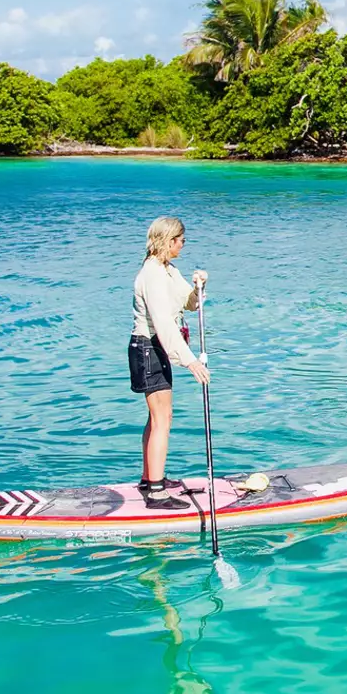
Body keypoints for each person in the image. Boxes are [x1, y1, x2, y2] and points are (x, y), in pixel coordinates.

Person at [131, 216, 209, 504]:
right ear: (168, 240)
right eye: (181, 240)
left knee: (159, 417)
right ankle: (155, 491)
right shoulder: (151, 274)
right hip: (149, 347)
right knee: (162, 418)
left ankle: (149, 477)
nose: (183, 246)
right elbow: (163, 324)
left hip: (157, 347)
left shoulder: (168, 270)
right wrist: (190, 361)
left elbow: (188, 303)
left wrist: (199, 286)